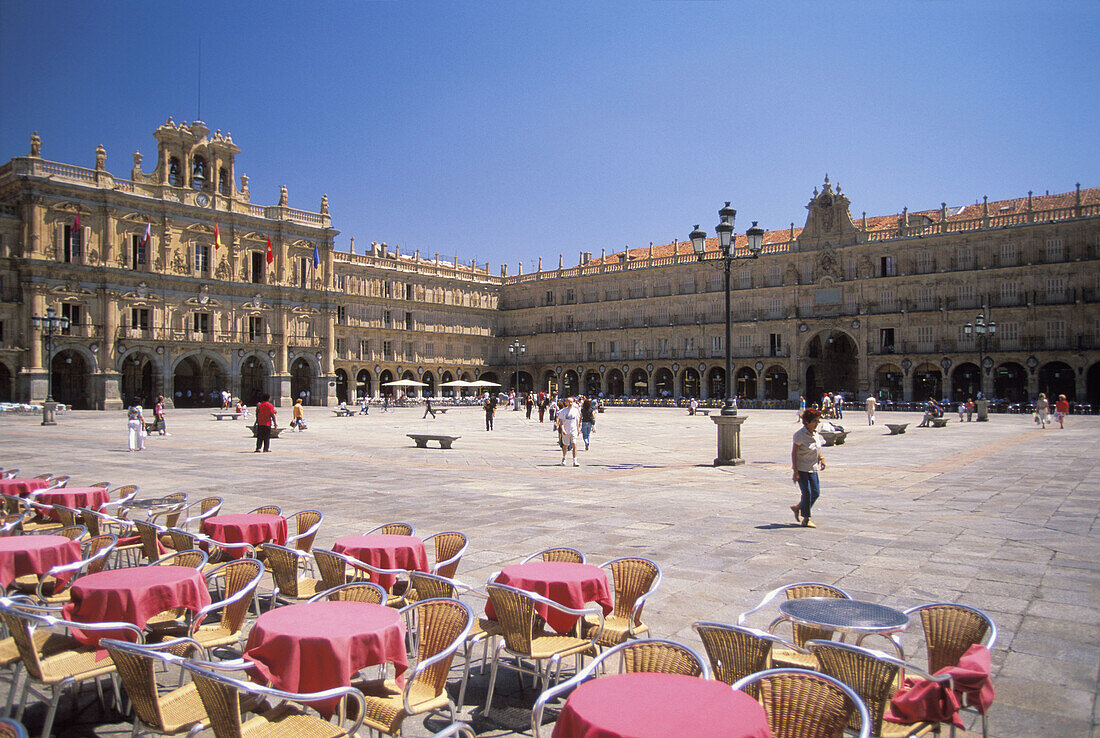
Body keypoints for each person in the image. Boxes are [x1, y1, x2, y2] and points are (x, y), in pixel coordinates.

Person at [790, 408, 826, 528]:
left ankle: (798, 507)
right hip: (802, 468)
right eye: (815, 421)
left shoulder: (815, 433)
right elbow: (794, 454)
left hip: (813, 467)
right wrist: (795, 471)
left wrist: (821, 458)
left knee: (815, 492)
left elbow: (816, 448)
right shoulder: (799, 435)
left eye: (818, 421)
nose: (817, 423)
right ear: (807, 421)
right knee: (807, 493)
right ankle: (806, 519)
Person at [557, 396, 582, 466]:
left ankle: (575, 461)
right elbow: (561, 422)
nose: (570, 403)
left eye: (571, 402)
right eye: (569, 402)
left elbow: (577, 421)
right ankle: (564, 458)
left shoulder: (576, 411)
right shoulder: (563, 411)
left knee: (574, 444)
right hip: (566, 430)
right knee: (565, 445)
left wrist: (578, 429)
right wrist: (563, 430)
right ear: (566, 402)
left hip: (573, 430)